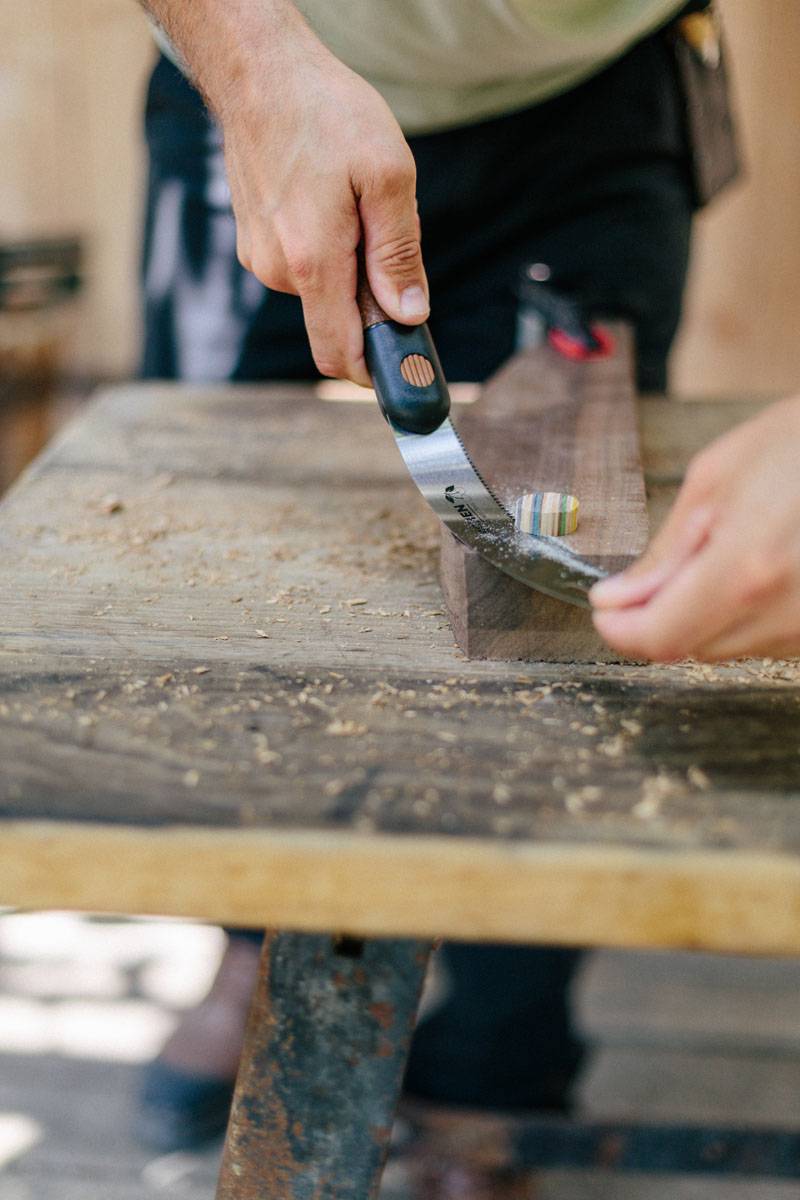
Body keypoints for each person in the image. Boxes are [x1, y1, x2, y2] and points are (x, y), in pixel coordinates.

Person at [134, 0, 799, 1178]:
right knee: (230, 564)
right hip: (263, 68)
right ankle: (253, 950)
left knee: (541, 608)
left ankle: (499, 1053)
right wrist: (252, 62)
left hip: (592, 98)